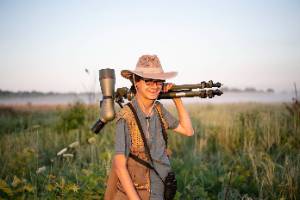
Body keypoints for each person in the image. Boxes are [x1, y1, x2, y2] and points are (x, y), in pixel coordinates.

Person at [113, 55, 194, 200]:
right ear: (136, 82)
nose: (154, 86)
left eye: (158, 81)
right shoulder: (126, 116)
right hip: (137, 193)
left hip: (160, 191)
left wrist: (176, 97)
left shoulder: (158, 109)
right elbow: (119, 165)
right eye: (148, 81)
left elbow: (188, 131)